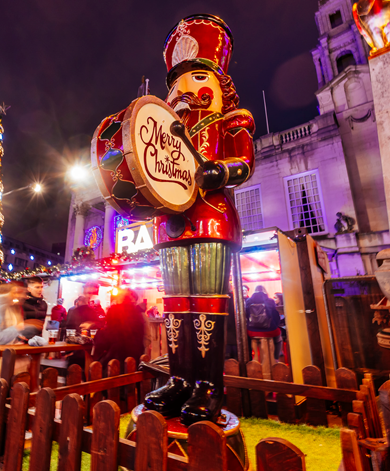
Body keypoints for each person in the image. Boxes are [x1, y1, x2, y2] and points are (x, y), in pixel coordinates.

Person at [138, 15, 256, 425]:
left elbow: (243, 162)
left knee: (206, 303)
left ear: (220, 84)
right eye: (176, 83)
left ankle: (207, 385)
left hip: (211, 219)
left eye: (198, 76)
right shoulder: (167, 134)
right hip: (170, 223)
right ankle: (179, 379)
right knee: (174, 305)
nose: (185, 89)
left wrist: (217, 172)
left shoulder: (231, 119)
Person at [93, 289, 146, 370]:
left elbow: (109, 334)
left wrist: (99, 335)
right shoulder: (137, 313)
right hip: (135, 356)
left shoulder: (114, 311)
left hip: (116, 356)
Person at [246, 286, 283, 361]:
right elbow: (275, 315)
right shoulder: (270, 301)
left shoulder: (248, 301)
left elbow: (246, 315)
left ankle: (251, 359)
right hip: (269, 331)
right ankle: (276, 358)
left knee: (247, 338)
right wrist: (275, 325)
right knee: (279, 338)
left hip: (252, 331)